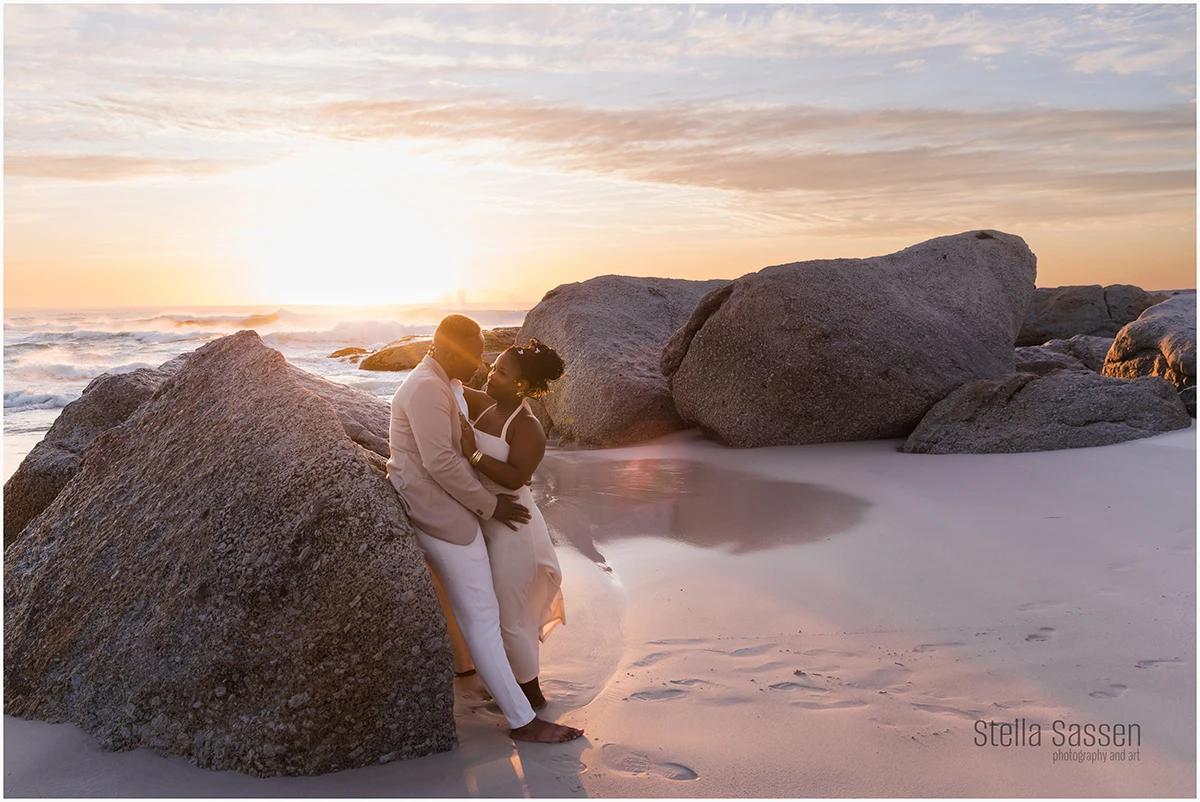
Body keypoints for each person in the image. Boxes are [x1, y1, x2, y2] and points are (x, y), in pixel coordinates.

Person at [386, 314, 582, 743]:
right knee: (485, 616)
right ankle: (522, 719)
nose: (483, 364)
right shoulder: (428, 389)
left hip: (499, 517)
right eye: (478, 355)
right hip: (450, 514)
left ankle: (515, 691)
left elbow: (504, 468)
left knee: (498, 613)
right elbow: (439, 462)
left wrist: (486, 493)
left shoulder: (450, 386)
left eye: (494, 363)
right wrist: (488, 505)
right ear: (449, 350)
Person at [456, 338, 566, 710]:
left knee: (511, 612)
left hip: (515, 527)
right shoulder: (488, 404)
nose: (491, 375)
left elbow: (516, 477)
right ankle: (506, 683)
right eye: (493, 367)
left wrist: (472, 451)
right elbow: (452, 387)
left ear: (521, 384)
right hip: (489, 516)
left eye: (502, 372)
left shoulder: (528, 427)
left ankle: (532, 697)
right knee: (492, 607)